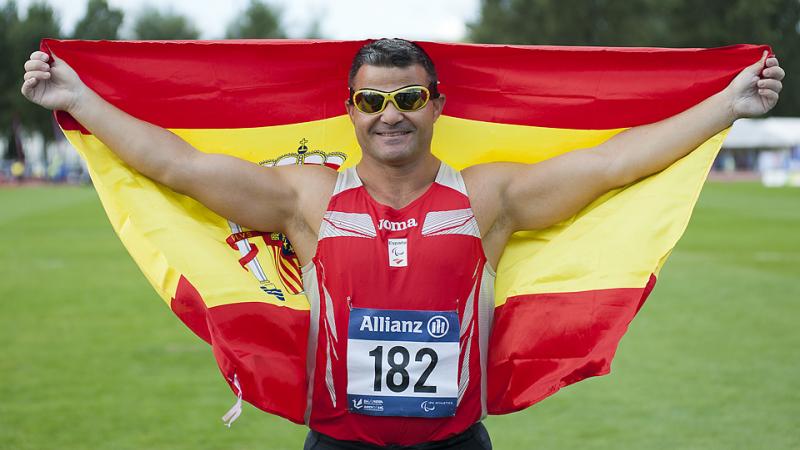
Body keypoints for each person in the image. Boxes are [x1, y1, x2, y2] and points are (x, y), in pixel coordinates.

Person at [21, 39, 783, 449]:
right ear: (348, 110)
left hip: (454, 445)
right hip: (339, 445)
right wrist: (78, 98)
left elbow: (616, 161)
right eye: (373, 101)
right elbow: (175, 166)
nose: (392, 114)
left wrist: (726, 105)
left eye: (410, 98)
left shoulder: (488, 200)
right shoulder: (306, 201)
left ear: (436, 106)